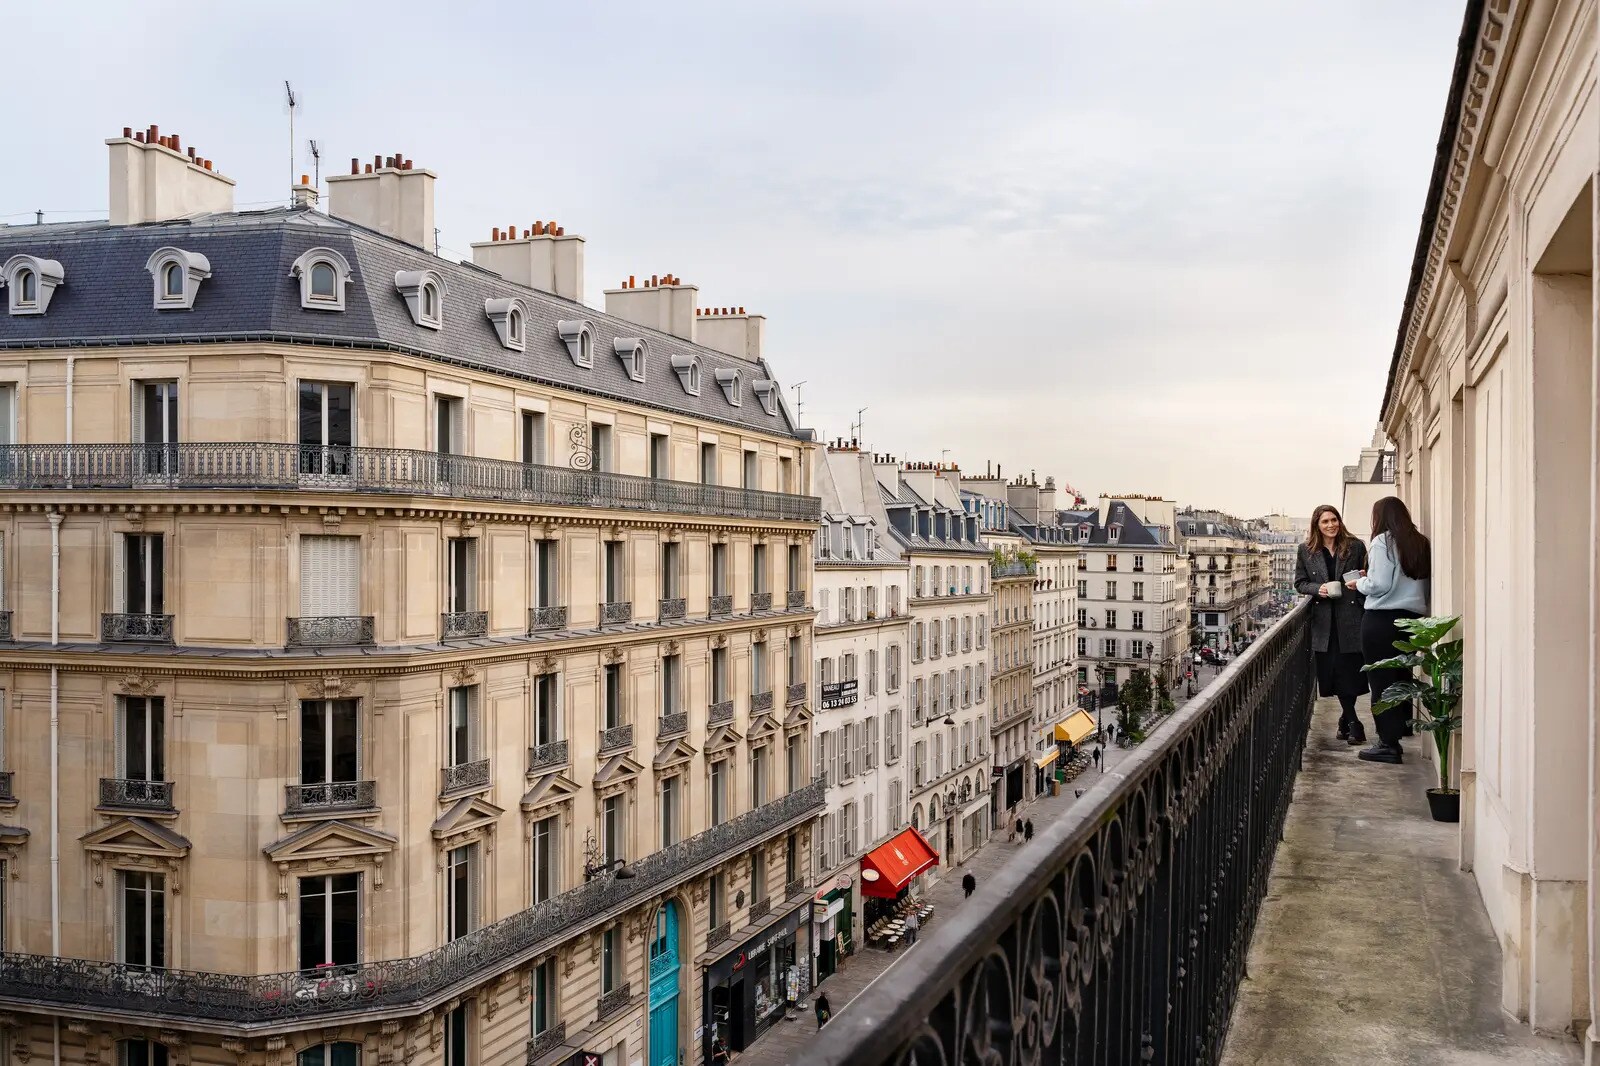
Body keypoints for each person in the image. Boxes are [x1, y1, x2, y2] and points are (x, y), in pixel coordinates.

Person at [1351, 496, 1431, 764]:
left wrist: (1360, 583)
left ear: (1380, 517)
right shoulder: (1419, 542)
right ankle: (1402, 727)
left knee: (1382, 681)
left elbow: (1379, 585)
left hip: (1382, 620)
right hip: (1412, 620)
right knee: (1401, 676)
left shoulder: (1383, 542)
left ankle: (1388, 743)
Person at [1295, 504, 1369, 744]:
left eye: (1334, 520)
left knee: (1351, 673)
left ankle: (1349, 721)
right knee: (1334, 674)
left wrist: (1363, 579)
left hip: (1351, 619)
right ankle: (1352, 721)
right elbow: (1299, 583)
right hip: (1324, 623)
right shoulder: (1306, 551)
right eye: (1325, 521)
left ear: (1340, 521)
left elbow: (1367, 575)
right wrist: (1319, 589)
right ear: (1317, 525)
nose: (1331, 525)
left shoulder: (1355, 546)